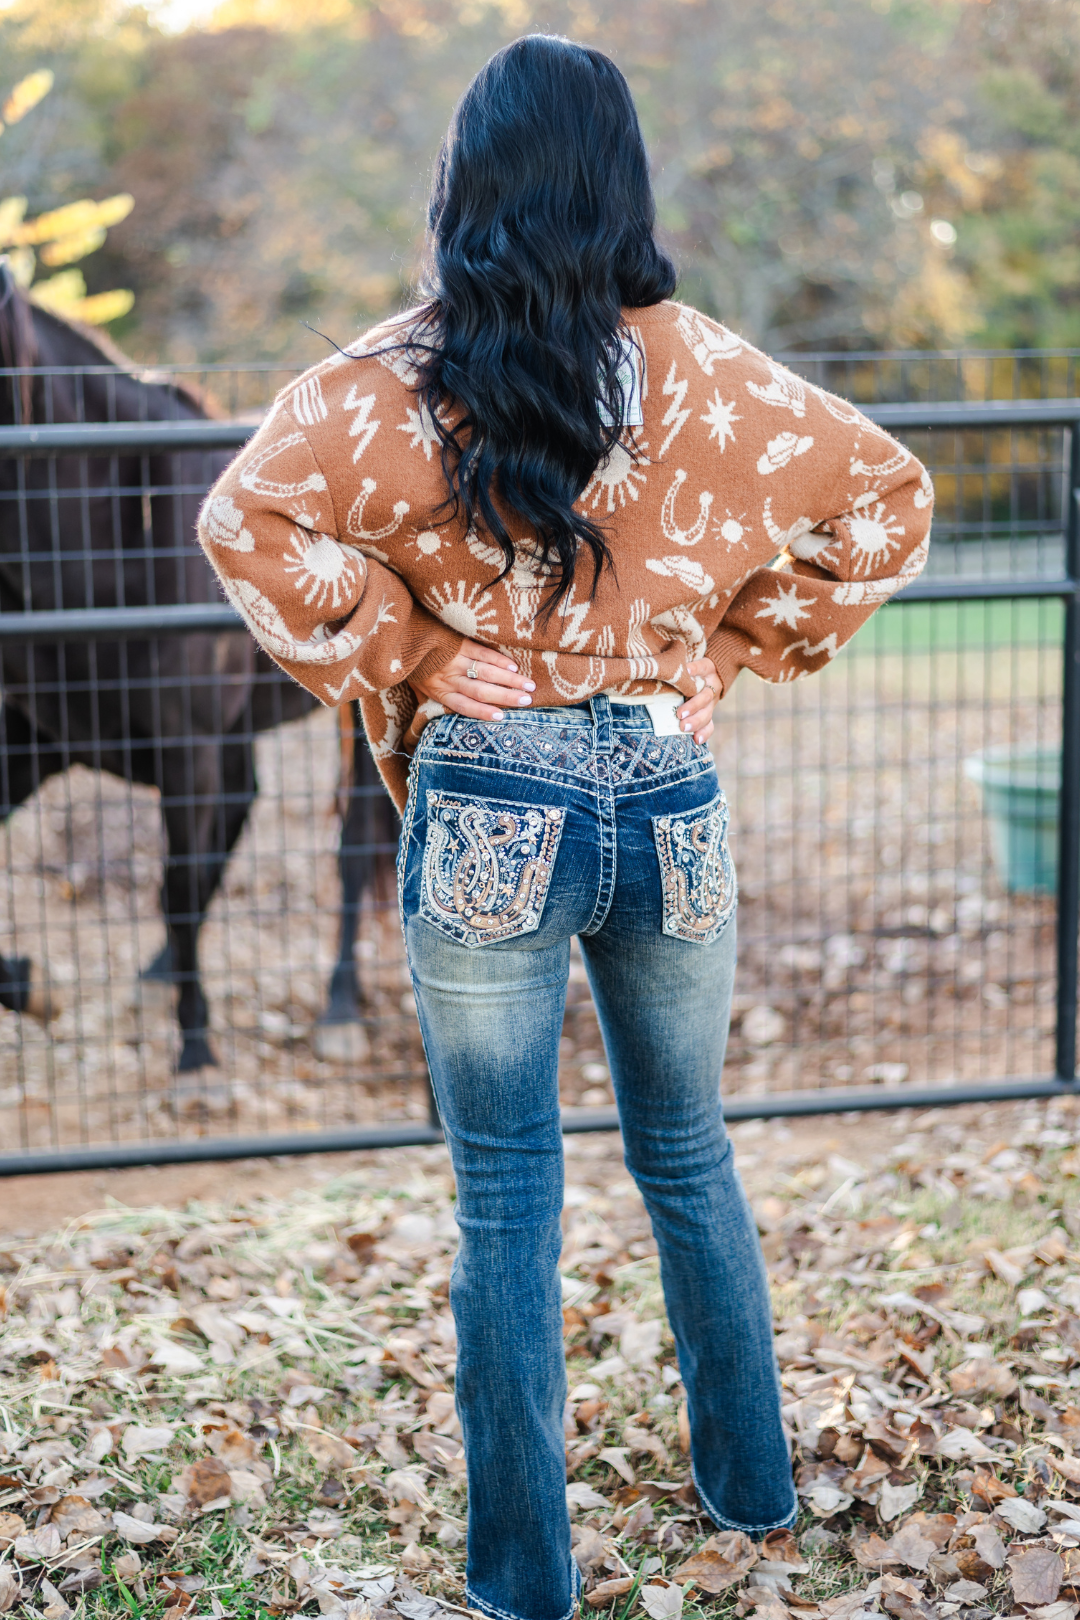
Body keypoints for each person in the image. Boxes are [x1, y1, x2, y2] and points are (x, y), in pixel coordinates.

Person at [198, 33, 932, 1620]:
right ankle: (753, 1494)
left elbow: (242, 516)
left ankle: (526, 1582)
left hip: (491, 804)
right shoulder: (721, 377)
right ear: (627, 181)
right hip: (668, 790)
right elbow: (891, 498)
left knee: (506, 1196)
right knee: (688, 1154)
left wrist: (400, 649)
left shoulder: (394, 378)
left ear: (466, 180)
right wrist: (737, 651)